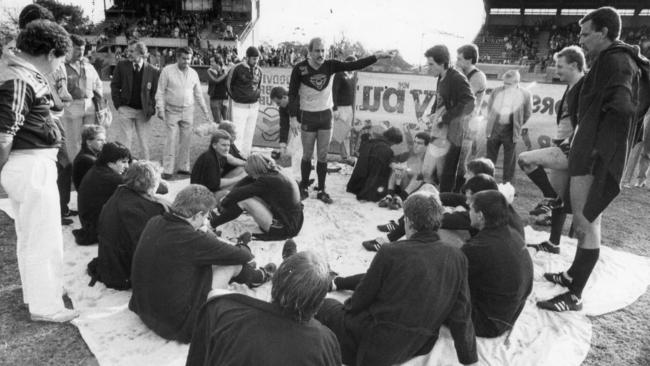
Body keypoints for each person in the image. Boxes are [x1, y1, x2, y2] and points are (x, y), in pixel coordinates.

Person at [538, 7, 650, 312]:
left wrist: (598, 148)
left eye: (586, 34)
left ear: (603, 32)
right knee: (586, 221)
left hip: (594, 157)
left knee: (587, 224)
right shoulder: (614, 58)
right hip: (592, 152)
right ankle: (573, 275)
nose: (581, 39)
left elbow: (625, 108)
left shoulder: (615, 60)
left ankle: (574, 295)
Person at [315, 192, 477, 366]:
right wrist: (470, 360)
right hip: (420, 343)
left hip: (377, 340)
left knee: (326, 306)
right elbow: (462, 314)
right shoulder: (457, 257)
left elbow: (362, 297)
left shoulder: (390, 252)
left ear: (408, 222)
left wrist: (347, 309)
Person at [0, 20, 77, 322]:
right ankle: (47, 306)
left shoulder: (20, 73)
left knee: (31, 236)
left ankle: (36, 296)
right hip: (30, 163)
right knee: (44, 238)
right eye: (59, 58)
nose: (58, 66)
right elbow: (4, 134)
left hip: (29, 162)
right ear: (49, 53)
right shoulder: (19, 77)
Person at [129, 184, 273, 343]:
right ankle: (260, 276)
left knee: (208, 261)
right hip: (176, 324)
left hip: (144, 309)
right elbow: (243, 256)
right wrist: (234, 245)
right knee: (232, 264)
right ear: (197, 215)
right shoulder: (192, 238)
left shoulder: (155, 221)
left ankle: (252, 273)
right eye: (206, 216)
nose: (206, 220)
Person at [186, 251, 342, 366]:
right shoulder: (325, 342)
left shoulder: (221, 310)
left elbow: (197, 359)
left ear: (274, 284)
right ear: (318, 303)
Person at [288, 38, 394, 203]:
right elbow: (292, 94)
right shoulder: (300, 69)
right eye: (317, 50)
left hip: (325, 116)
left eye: (323, 50)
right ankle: (303, 187)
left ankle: (322, 189)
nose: (321, 54)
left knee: (322, 155)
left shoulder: (331, 65)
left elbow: (355, 65)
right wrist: (293, 117)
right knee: (307, 154)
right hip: (308, 115)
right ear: (309, 52)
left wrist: (376, 56)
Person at [518, 46, 585, 254]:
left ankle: (549, 197)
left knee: (525, 159)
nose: (556, 70)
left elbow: (586, 120)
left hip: (570, 148)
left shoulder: (584, 86)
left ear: (575, 65)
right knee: (560, 200)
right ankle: (554, 243)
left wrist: (570, 141)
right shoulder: (572, 85)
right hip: (563, 145)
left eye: (560, 66)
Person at [366, 158, 498, 250]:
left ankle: (396, 236)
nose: (464, 176)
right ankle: (401, 223)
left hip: (463, 243)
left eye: (469, 173)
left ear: (478, 177)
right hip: (460, 226)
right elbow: (454, 198)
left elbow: (445, 219)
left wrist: (436, 208)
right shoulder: (483, 192)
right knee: (428, 190)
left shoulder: (481, 205)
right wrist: (433, 199)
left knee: (424, 217)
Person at [88, 161, 168, 290]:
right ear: (152, 183)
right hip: (124, 272)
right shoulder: (145, 208)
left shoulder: (121, 193)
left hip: (111, 264)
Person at [463, 190, 533, 338]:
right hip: (510, 314)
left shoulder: (479, 247)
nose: (468, 212)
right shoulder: (513, 234)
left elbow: (450, 279)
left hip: (488, 324)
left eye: (470, 208)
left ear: (480, 216)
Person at [211, 154, 304, 241]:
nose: (251, 177)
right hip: (295, 221)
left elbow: (240, 193)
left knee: (244, 200)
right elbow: (246, 181)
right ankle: (221, 214)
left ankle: (212, 224)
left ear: (255, 171)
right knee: (248, 195)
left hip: (285, 228)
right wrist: (230, 195)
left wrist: (225, 201)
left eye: (250, 173)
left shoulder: (266, 181)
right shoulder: (276, 171)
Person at [423, 45, 475, 192]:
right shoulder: (440, 77)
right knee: (431, 170)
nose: (429, 67)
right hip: (440, 131)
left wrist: (445, 117)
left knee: (446, 171)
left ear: (442, 63)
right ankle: (436, 197)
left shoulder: (457, 78)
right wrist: (433, 113)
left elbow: (470, 103)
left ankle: (444, 203)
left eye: (431, 64)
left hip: (453, 132)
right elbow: (441, 100)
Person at [155, 47, 213, 179]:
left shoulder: (193, 73)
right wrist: (160, 108)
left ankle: (183, 167)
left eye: (189, 59)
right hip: (171, 110)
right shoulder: (167, 71)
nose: (186, 61)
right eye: (184, 58)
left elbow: (198, 94)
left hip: (188, 110)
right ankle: (168, 169)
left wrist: (205, 112)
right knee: (170, 139)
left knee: (186, 140)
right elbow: (160, 91)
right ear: (177, 58)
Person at [74, 142, 131, 246]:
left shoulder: (99, 169)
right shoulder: (110, 178)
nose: (127, 166)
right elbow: (160, 189)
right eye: (123, 162)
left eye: (128, 162)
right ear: (110, 163)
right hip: (94, 228)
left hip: (89, 223)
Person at [111, 40, 160, 160]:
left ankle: (145, 167)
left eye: (132, 51)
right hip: (126, 109)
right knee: (125, 140)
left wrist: (151, 108)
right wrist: (118, 105)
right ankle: (124, 166)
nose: (129, 53)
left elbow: (155, 92)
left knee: (144, 142)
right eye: (128, 51)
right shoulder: (121, 66)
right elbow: (115, 85)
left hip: (143, 112)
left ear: (141, 52)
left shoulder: (153, 71)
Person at [485, 70, 532, 183]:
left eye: (509, 84)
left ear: (517, 82)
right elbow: (490, 108)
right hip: (494, 130)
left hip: (511, 132)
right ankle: (486, 182)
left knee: (509, 162)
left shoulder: (525, 94)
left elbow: (527, 113)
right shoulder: (496, 91)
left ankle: (507, 185)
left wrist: (517, 125)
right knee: (489, 160)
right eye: (504, 83)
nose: (505, 86)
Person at [62, 34, 103, 160]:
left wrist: (100, 105)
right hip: (71, 106)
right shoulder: (62, 66)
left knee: (90, 140)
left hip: (89, 106)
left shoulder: (88, 66)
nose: (80, 52)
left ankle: (88, 165)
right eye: (77, 49)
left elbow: (98, 85)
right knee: (73, 142)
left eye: (82, 49)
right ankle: (75, 170)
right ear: (69, 48)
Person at [455, 44, 488, 179]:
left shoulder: (478, 77)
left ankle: (459, 190)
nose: (456, 62)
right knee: (453, 159)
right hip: (459, 122)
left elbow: (463, 98)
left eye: (459, 59)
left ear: (469, 60)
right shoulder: (464, 74)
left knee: (460, 160)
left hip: (468, 124)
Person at [346, 126, 403, 202]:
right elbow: (376, 173)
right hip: (366, 188)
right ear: (393, 140)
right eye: (394, 143)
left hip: (354, 185)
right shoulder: (386, 150)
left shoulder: (369, 143)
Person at [378, 131, 430, 209]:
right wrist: (394, 165)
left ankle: (401, 198)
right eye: (415, 142)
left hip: (420, 188)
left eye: (419, 143)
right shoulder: (410, 154)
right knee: (398, 168)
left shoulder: (429, 158)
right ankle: (389, 196)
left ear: (427, 146)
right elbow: (394, 159)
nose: (415, 145)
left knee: (418, 175)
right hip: (405, 185)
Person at [226, 46, 262, 156]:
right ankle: (236, 159)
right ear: (247, 57)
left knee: (249, 134)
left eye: (257, 59)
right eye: (254, 59)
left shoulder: (259, 70)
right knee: (238, 134)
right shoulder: (236, 68)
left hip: (254, 107)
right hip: (239, 106)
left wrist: (255, 97)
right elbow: (228, 85)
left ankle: (245, 158)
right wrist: (237, 98)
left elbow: (258, 86)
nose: (256, 61)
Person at [190, 129, 246, 195]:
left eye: (228, 145)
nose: (227, 148)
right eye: (223, 145)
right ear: (214, 145)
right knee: (237, 188)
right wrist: (239, 178)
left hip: (211, 187)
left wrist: (251, 164)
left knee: (242, 169)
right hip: (203, 195)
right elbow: (215, 184)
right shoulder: (210, 159)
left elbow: (234, 160)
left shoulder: (218, 154)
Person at [332, 55, 358, 165]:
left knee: (347, 132)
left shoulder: (353, 75)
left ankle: (345, 155)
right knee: (340, 132)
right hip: (341, 107)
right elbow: (334, 91)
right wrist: (335, 108)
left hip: (349, 108)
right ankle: (344, 155)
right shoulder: (339, 74)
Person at [72, 125, 106, 189]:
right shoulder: (85, 160)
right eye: (100, 140)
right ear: (89, 142)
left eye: (104, 140)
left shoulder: (93, 155)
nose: (104, 143)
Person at [270, 86, 292, 155]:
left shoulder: (298, 100)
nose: (278, 105)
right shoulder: (282, 108)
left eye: (278, 103)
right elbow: (284, 126)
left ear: (285, 97)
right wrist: (283, 145)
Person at [207, 55, 229, 123]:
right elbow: (216, 80)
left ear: (218, 62)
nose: (210, 63)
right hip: (215, 99)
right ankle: (218, 134)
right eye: (210, 62)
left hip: (225, 99)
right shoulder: (209, 70)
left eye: (212, 62)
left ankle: (226, 134)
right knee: (217, 122)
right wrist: (225, 74)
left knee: (227, 122)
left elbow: (229, 84)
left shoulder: (225, 70)